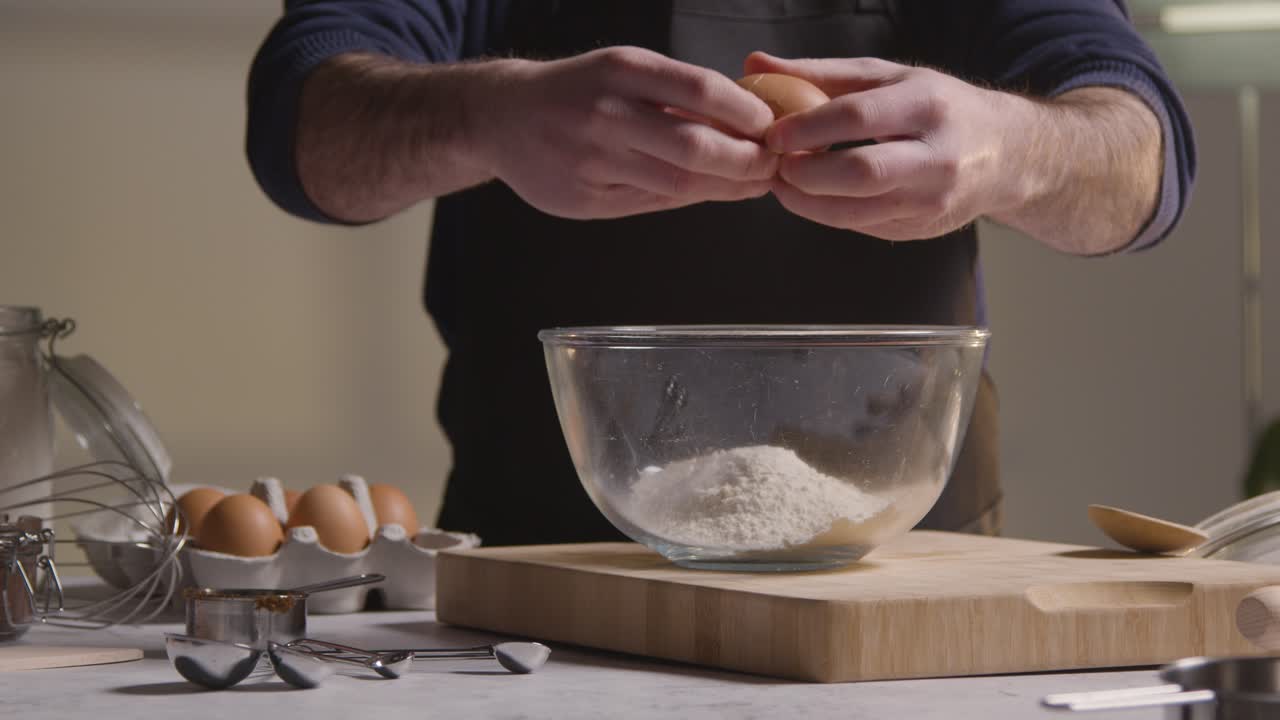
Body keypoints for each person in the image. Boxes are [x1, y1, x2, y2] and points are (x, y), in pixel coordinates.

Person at [245, 1, 1196, 545]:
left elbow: (1144, 155)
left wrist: (1010, 146)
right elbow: (301, 123)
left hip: (901, 551)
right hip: (553, 549)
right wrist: (488, 114)